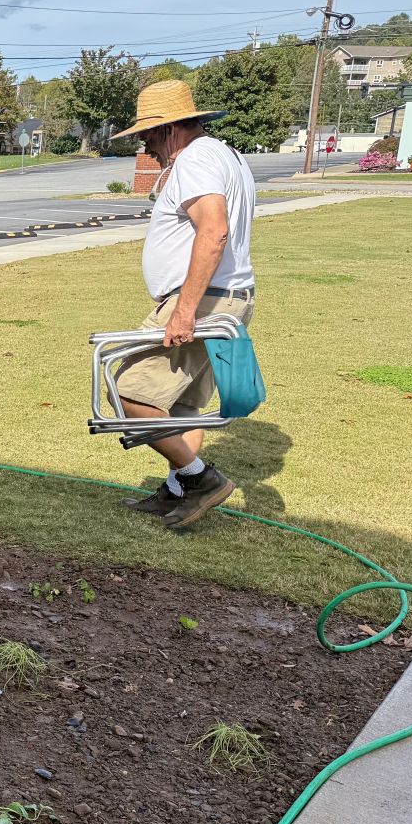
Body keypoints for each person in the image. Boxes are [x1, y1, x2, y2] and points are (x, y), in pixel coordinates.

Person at [111, 79, 257, 529]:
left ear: (171, 129)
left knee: (131, 393)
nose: (146, 146)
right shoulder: (225, 155)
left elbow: (212, 232)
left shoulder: (195, 159)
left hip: (205, 299)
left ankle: (199, 479)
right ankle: (179, 490)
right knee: (181, 407)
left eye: (148, 136)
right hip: (227, 296)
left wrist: (184, 309)